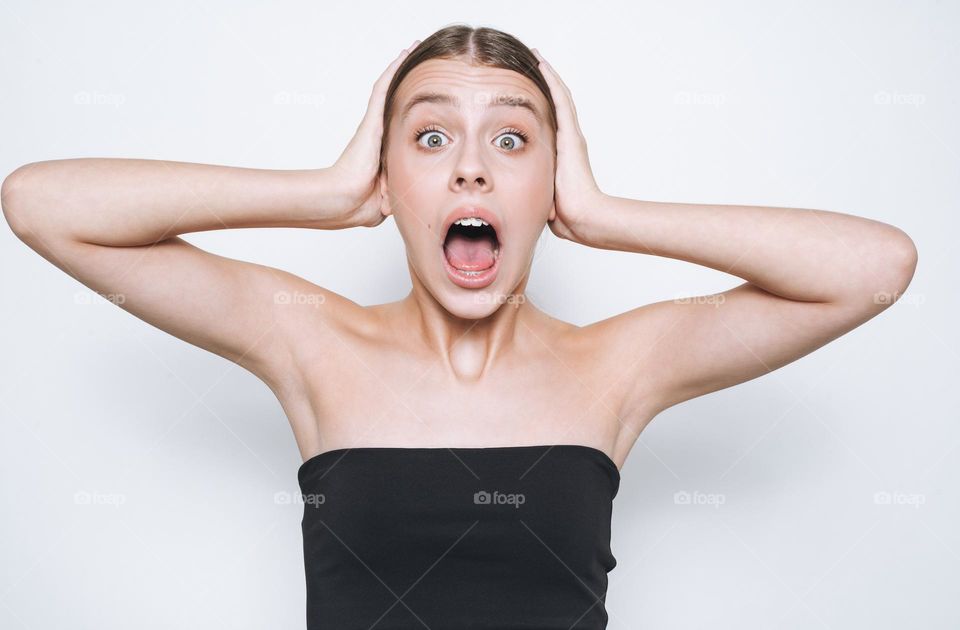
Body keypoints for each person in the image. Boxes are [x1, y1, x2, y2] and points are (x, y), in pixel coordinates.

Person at [1, 23, 917, 630]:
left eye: (513, 140)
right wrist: (321, 194)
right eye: (431, 138)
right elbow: (42, 204)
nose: (472, 171)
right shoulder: (310, 340)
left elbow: (875, 269)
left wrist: (604, 213)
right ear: (390, 176)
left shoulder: (617, 363)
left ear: (550, 176)